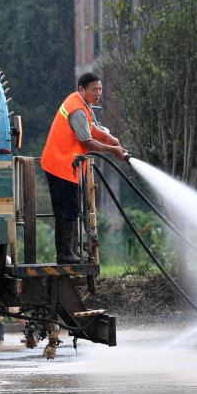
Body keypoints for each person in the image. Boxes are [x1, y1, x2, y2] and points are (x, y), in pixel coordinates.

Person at [40, 72, 128, 264]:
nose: (99, 93)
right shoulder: (77, 109)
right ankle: (65, 254)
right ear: (82, 89)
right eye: (94, 89)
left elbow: (90, 128)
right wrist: (112, 149)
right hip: (60, 164)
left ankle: (68, 252)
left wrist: (109, 138)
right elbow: (87, 141)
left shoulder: (80, 103)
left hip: (64, 164)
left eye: (100, 89)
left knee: (70, 208)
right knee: (67, 209)